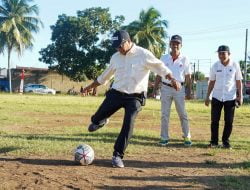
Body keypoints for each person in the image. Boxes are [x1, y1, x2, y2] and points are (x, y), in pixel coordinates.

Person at [82, 30, 181, 168]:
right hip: (116, 93)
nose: (118, 49)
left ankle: (117, 155)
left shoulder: (143, 54)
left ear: (128, 41)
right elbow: (104, 76)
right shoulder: (115, 57)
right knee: (94, 121)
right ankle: (100, 121)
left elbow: (160, 67)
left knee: (128, 123)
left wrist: (172, 79)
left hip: (135, 97)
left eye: (120, 46)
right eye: (116, 47)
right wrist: (89, 87)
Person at [152, 35, 192, 147]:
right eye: (173, 43)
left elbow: (188, 76)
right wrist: (155, 89)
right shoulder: (164, 58)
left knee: (182, 114)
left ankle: (187, 136)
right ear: (170, 44)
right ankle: (164, 137)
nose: (175, 45)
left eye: (177, 43)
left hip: (179, 89)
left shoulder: (185, 59)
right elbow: (159, 75)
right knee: (165, 114)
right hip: (165, 88)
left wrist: (189, 91)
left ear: (181, 45)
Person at [205, 45, 243, 149]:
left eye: (223, 53)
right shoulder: (215, 66)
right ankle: (214, 142)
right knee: (214, 121)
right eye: (219, 53)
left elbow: (239, 81)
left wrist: (240, 96)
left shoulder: (235, 65)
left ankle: (226, 142)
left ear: (229, 54)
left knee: (229, 121)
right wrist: (208, 96)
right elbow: (211, 82)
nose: (221, 55)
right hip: (216, 97)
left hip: (230, 97)